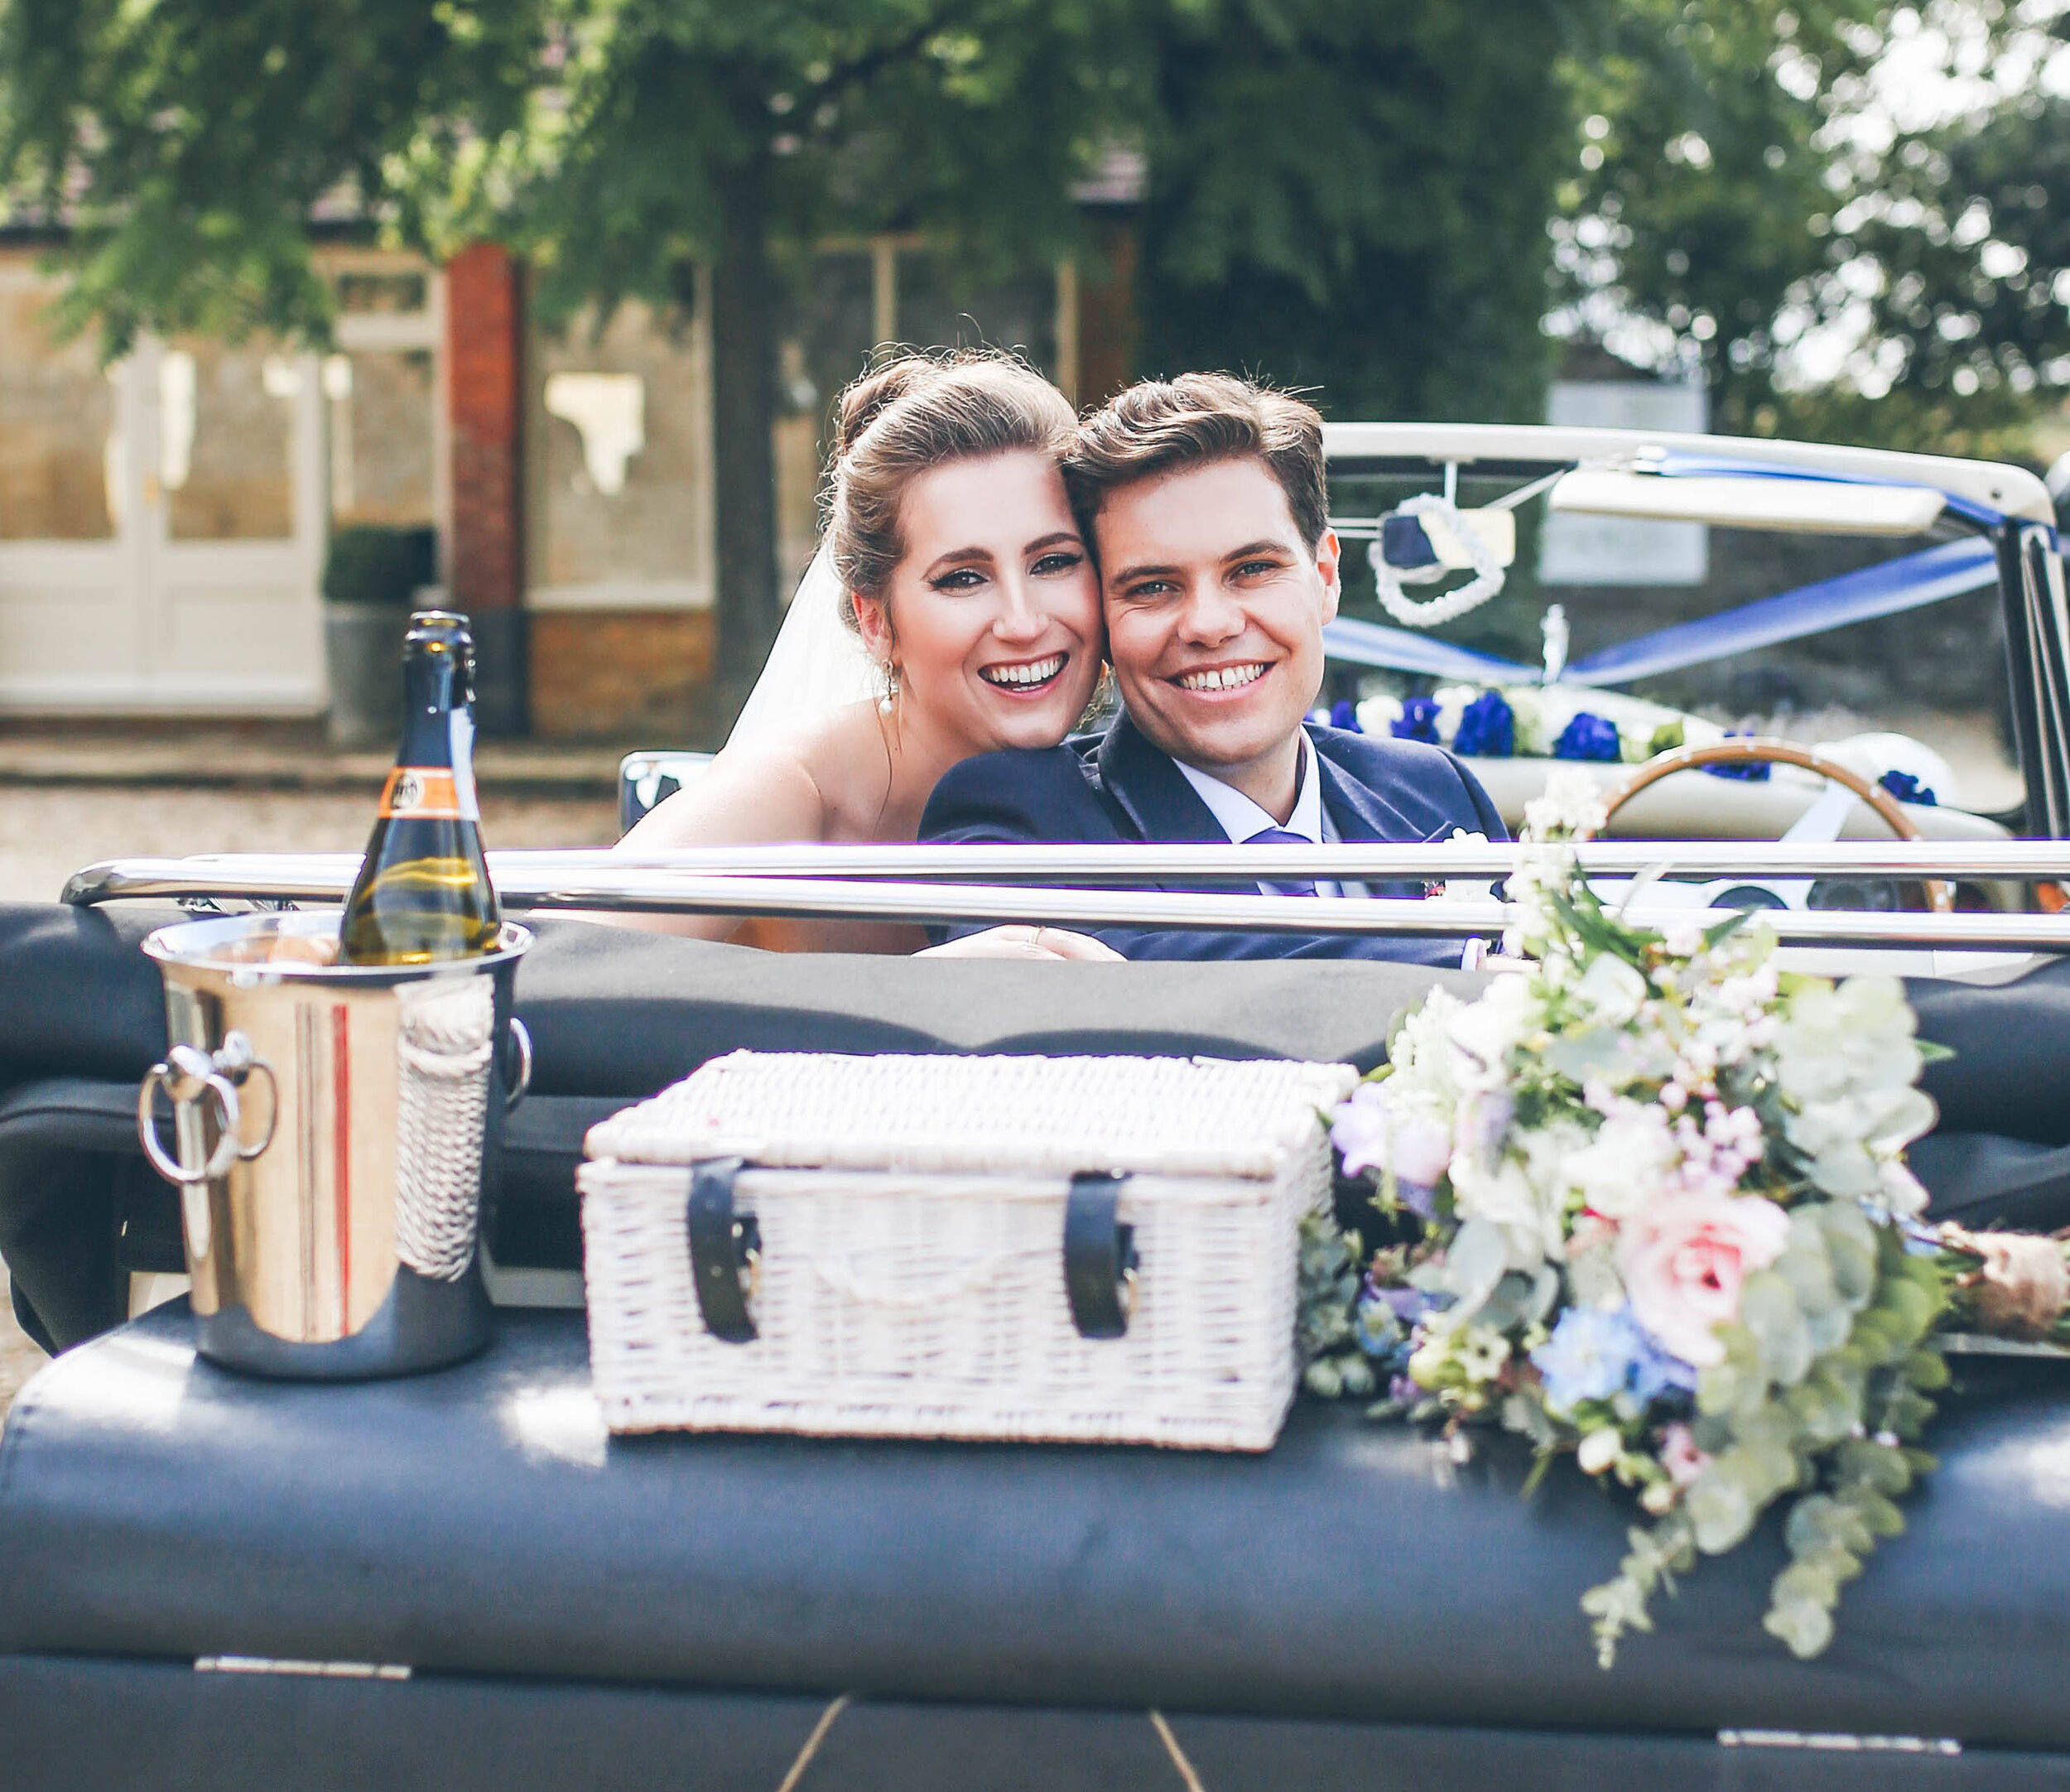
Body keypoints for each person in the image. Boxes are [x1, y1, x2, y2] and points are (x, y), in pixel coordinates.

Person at [919, 372, 1506, 964]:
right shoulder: (1019, 813)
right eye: (1153, 586)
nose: (1209, 624)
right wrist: (1466, 965)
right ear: (1102, 615)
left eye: (1251, 569)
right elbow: (1148, 974)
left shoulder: (1437, 790)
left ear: (1325, 578)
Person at [605, 349, 1119, 958]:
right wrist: (902, 994)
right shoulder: (791, 789)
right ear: (876, 621)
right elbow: (555, 974)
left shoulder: (1133, 784)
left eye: (1053, 562)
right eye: (962, 578)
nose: (1024, 622)